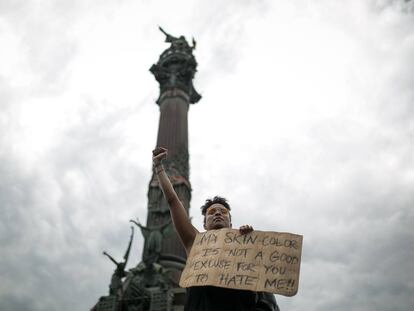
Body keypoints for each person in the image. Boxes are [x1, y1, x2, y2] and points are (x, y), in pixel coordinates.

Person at [152, 147, 279, 311]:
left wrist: (249, 247)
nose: (218, 213)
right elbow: (173, 201)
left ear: (230, 223)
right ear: (204, 224)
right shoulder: (194, 242)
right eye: (211, 212)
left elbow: (262, 289)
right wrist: (159, 168)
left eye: (223, 212)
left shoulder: (245, 247)